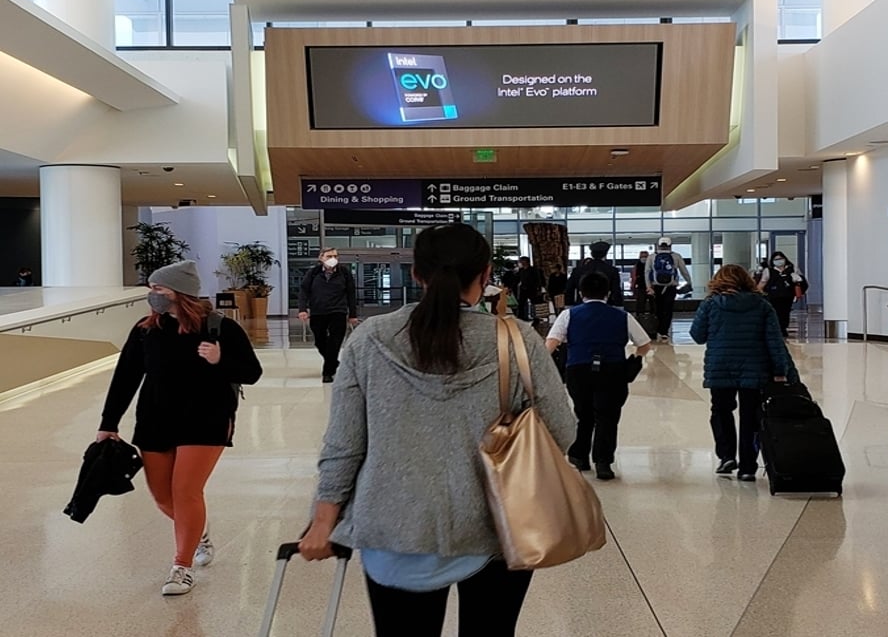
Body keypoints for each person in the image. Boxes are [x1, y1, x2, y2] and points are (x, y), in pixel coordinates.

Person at [298, 223, 575, 637]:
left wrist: (323, 522)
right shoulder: (517, 340)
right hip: (498, 524)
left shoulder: (369, 340)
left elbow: (344, 444)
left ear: (416, 274)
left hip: (395, 526)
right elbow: (561, 431)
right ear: (485, 276)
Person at [95, 260, 263, 595]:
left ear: (180, 292)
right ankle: (197, 530)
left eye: (158, 289)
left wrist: (220, 361)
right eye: (152, 289)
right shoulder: (145, 330)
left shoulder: (219, 328)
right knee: (162, 496)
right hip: (156, 419)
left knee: (186, 491)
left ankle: (181, 567)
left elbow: (252, 372)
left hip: (207, 419)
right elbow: (125, 377)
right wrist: (108, 424)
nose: (152, 295)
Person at [689, 264, 793, 482]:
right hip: (754, 368)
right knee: (751, 417)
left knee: (721, 411)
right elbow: (774, 341)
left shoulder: (710, 304)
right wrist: (780, 371)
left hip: (720, 366)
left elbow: (697, 335)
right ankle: (748, 466)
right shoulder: (762, 305)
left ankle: (726, 455)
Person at [546, 271, 651, 480]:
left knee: (584, 414)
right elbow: (645, 344)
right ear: (608, 292)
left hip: (578, 369)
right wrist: (635, 359)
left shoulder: (569, 314)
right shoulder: (622, 316)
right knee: (608, 417)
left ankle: (579, 456)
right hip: (613, 370)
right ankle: (603, 463)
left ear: (580, 292)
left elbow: (551, 343)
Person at [297, 247, 358, 383]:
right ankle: (333, 362)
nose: (333, 259)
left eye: (335, 256)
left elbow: (351, 294)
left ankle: (327, 372)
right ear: (321, 258)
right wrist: (302, 309)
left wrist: (352, 314)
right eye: (329, 256)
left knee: (335, 342)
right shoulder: (313, 273)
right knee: (320, 341)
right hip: (318, 311)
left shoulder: (344, 273)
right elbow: (304, 291)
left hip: (338, 311)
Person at [645, 237, 692, 342]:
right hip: (671, 287)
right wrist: (689, 282)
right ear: (670, 245)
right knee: (668, 309)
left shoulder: (652, 257)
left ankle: (657, 329)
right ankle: (664, 332)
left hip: (656, 287)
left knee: (658, 309)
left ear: (658, 245)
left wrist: (649, 287)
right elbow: (684, 271)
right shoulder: (676, 256)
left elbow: (647, 272)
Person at [757, 251, 805, 338]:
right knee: (776, 312)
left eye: (780, 259)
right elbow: (762, 283)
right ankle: (779, 329)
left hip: (788, 296)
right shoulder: (769, 271)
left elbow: (801, 280)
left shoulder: (792, 269)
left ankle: (783, 328)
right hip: (774, 297)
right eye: (776, 259)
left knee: (785, 313)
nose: (779, 261)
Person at [565, 241, 623, 307]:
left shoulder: (578, 270)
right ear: (605, 254)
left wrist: (569, 304)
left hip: (581, 306)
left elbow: (569, 289)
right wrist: (619, 305)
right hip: (606, 307)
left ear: (591, 253)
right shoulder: (612, 271)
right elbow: (616, 290)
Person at [515, 255, 545, 321]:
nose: (521, 263)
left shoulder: (533, 270)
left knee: (534, 303)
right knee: (521, 303)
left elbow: (538, 280)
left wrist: (538, 288)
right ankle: (522, 316)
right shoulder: (521, 270)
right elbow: (517, 279)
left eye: (522, 261)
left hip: (532, 289)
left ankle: (535, 317)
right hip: (523, 289)